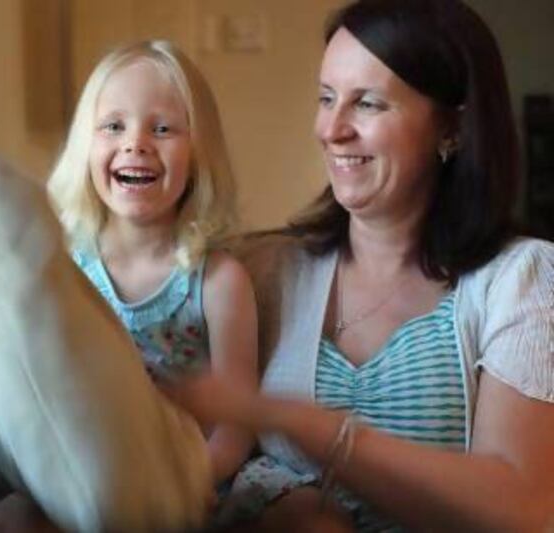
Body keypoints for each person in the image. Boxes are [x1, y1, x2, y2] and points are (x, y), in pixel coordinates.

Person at [167, 0, 554, 530]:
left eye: (368, 104)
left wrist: (298, 422)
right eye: (327, 99)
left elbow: (523, 508)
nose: (332, 129)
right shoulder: (260, 271)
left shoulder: (522, 279)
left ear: (453, 129)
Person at [47, 40, 259, 486]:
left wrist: (190, 488)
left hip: (190, 476)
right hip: (86, 474)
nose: (135, 144)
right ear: (85, 146)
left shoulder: (219, 281)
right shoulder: (64, 269)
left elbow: (238, 425)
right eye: (113, 126)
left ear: (200, 154)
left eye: (162, 129)